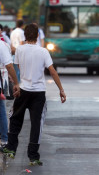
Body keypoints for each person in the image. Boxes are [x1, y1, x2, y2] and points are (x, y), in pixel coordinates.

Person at [1, 23, 66, 165]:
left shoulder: (20, 50)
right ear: (37, 35)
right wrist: (61, 89)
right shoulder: (43, 52)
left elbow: (18, 68)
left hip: (23, 90)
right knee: (37, 124)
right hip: (39, 93)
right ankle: (33, 156)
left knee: (15, 119)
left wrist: (16, 84)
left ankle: (11, 149)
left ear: (25, 36)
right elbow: (53, 71)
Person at [0, 41, 20, 146]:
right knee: (2, 112)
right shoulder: (2, 45)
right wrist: (16, 82)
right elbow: (9, 65)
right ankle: (4, 139)